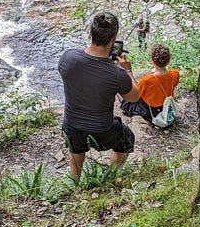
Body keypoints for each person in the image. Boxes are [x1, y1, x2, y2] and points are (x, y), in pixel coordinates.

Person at [58, 12, 140, 179]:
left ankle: (74, 182)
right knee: (126, 138)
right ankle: (110, 176)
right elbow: (134, 97)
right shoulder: (117, 74)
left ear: (90, 33)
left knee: (76, 147)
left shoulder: (68, 58)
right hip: (102, 131)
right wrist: (128, 71)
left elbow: (84, 73)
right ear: (114, 39)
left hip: (72, 126)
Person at [119, 43, 180, 123]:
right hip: (166, 107)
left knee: (127, 98)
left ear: (152, 60)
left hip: (151, 111)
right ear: (168, 60)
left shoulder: (147, 80)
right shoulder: (175, 73)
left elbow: (136, 94)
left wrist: (129, 71)